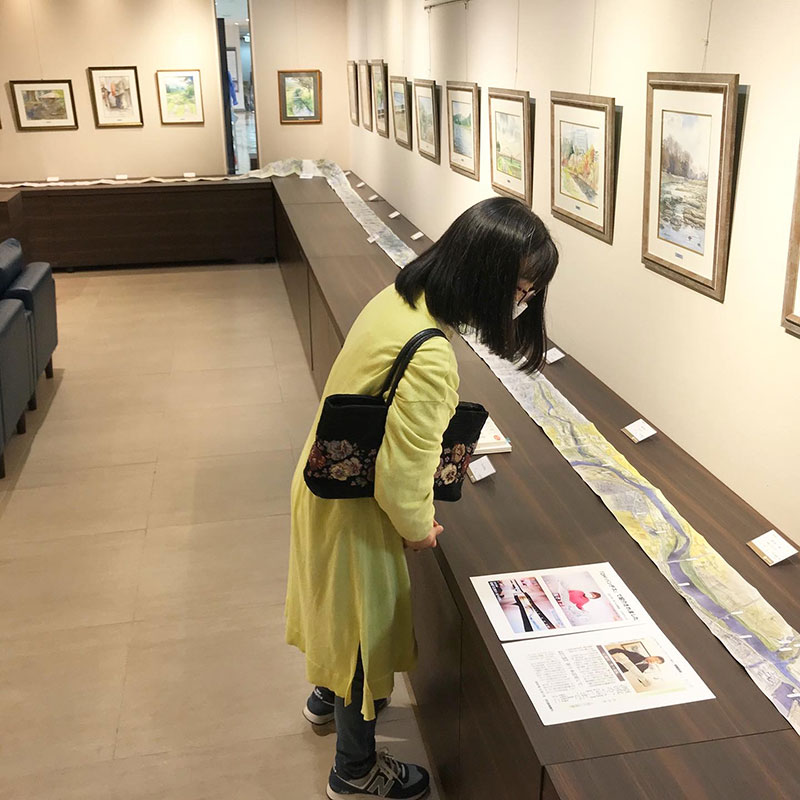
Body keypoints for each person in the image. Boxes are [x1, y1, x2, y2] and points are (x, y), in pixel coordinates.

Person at [286, 196, 558, 799]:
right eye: (522, 289)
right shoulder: (432, 353)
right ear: (489, 278)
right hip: (357, 510)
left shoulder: (400, 298)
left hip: (325, 478)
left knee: (339, 609)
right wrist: (418, 529)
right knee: (363, 631)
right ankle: (354, 771)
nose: (524, 302)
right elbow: (401, 478)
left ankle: (326, 695)